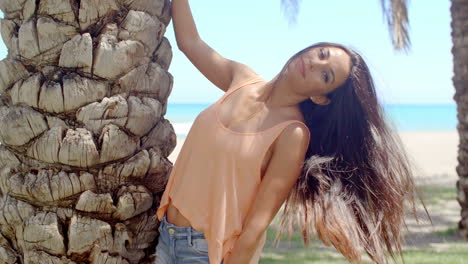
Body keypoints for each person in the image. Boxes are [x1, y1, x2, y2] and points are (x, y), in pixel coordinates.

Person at [154, 1, 419, 264]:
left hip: (206, 253)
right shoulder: (241, 79)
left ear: (321, 98)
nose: (315, 63)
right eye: (322, 53)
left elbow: (256, 225)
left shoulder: (292, 134)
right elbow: (190, 42)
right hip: (163, 235)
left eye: (326, 76)